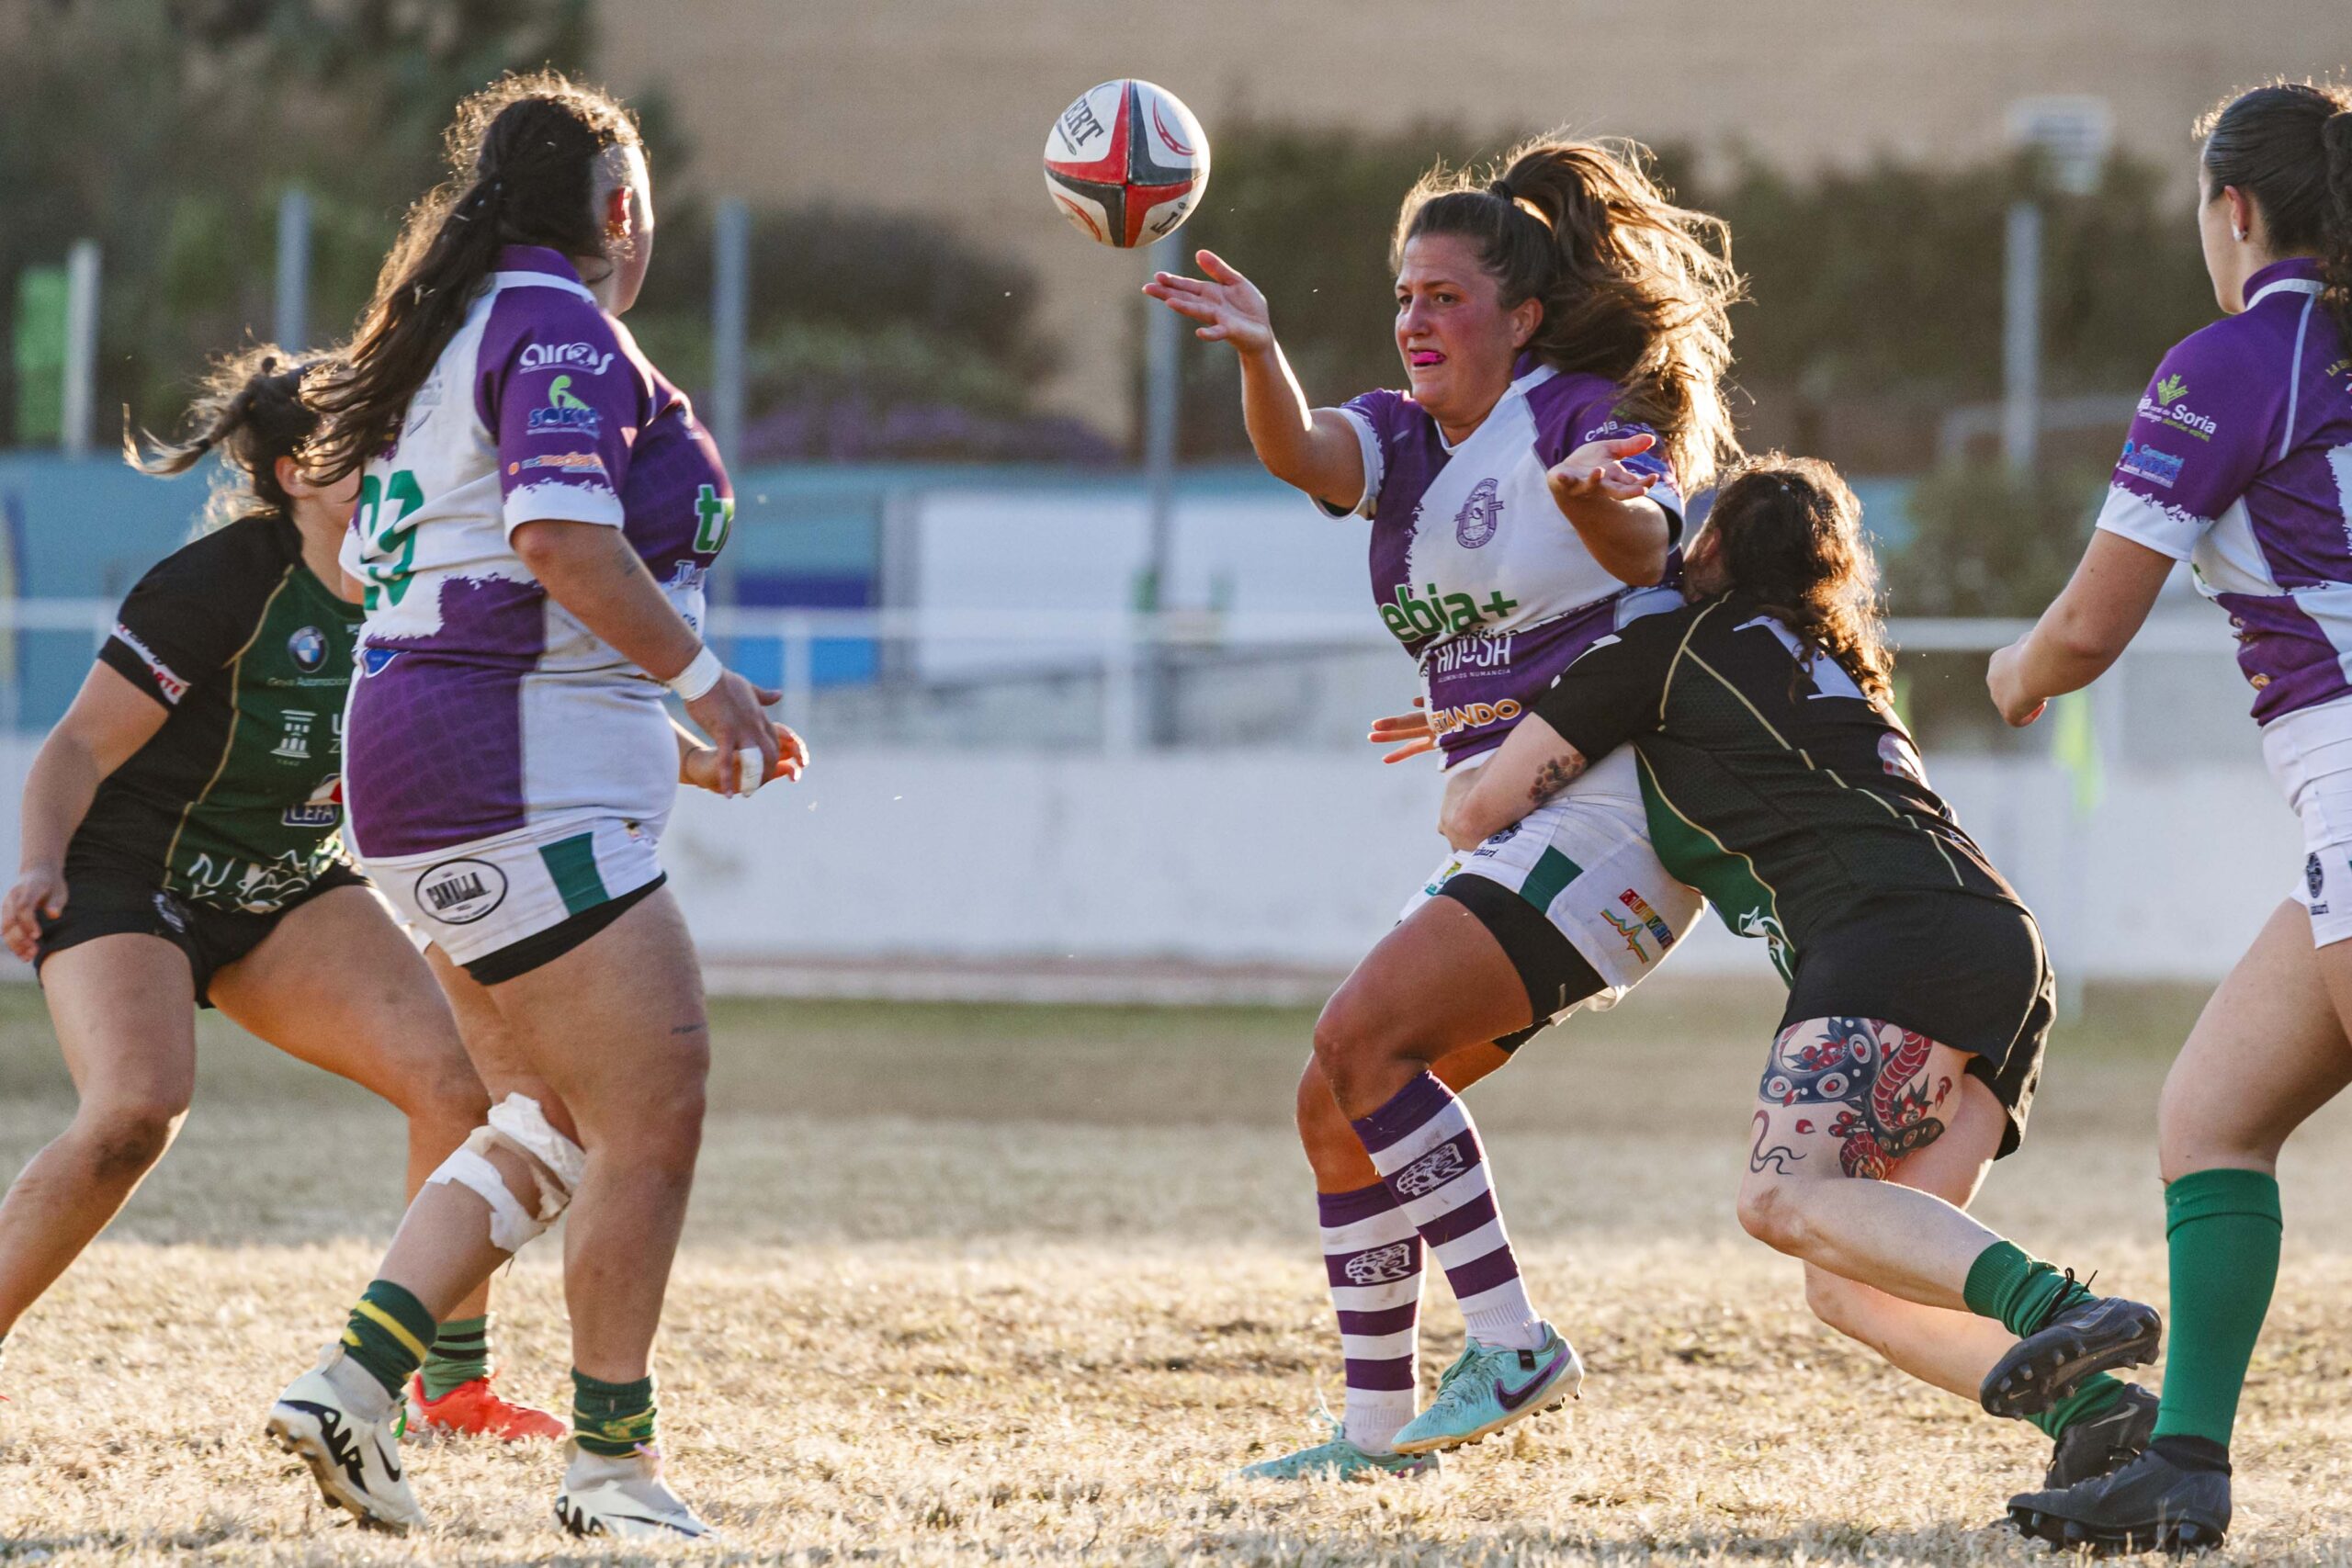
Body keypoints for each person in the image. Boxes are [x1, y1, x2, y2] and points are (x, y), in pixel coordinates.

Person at [1146, 136, 1738, 1478]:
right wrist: (1255, 348)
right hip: (1529, 813)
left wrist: (1603, 509)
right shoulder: (1405, 438)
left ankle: (1513, 1337)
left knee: (1359, 1037)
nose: (1416, 319)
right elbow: (1302, 448)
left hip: (1617, 809)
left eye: (1446, 296)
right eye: (1404, 296)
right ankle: (1375, 1432)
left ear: (1520, 318)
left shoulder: (1578, 409)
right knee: (1334, 1098)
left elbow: (1649, 545)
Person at [261, 73, 801, 1541]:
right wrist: (706, 684)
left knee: (551, 1115)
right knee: (657, 1103)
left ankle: (352, 1382)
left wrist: (663, 734)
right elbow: (558, 539)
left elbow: (479, 587)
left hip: (454, 764)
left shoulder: (448, 335)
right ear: (620, 210)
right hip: (496, 772)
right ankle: (611, 1467)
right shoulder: (558, 322)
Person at [1442, 455, 2166, 1493]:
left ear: (1717, 549)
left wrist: (1471, 730)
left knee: (1781, 1199)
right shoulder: (1833, 662)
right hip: (2000, 944)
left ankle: (2057, 1309)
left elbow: (1472, 813)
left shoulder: (1668, 643)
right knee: (1851, 1284)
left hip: (1890, 933)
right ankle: (2099, 1411)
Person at [0, 348, 560, 1438]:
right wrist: (37, 861)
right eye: (373, 442)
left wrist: (698, 742)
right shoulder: (221, 584)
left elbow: (527, 708)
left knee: (461, 1092)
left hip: (288, 886)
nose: (403, 458)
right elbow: (73, 746)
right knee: (133, 1114)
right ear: (300, 472)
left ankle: (450, 1388)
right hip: (133, 876)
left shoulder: (426, 577)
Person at [1993, 81, 2352, 1554]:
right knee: (2214, 1111)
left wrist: (2013, 672)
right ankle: (2186, 1463)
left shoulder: (2236, 358)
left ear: (2236, 209)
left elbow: (2083, 633)